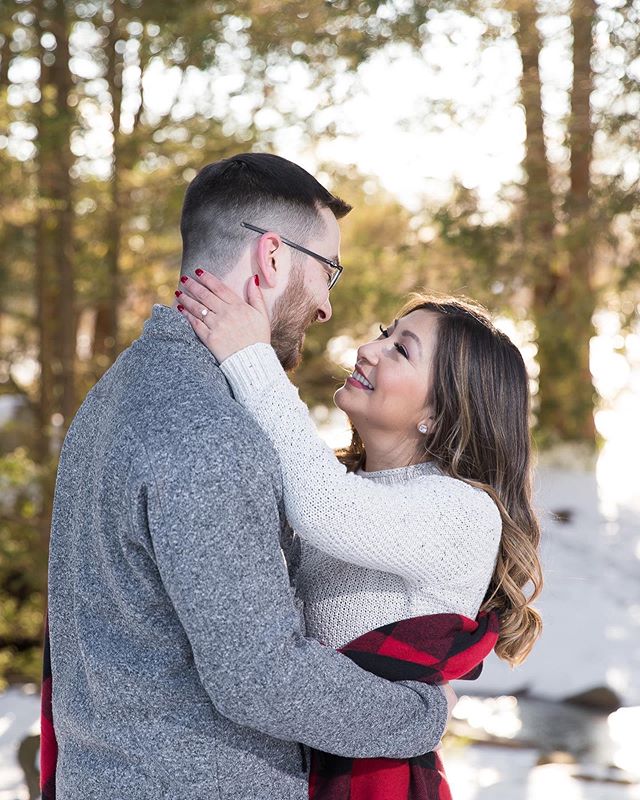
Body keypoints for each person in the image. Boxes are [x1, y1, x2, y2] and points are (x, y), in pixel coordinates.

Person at [43, 154, 454, 800]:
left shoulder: (116, 393)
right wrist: (420, 716)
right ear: (271, 258)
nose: (324, 306)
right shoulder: (208, 430)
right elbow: (260, 676)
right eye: (328, 272)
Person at [174, 271, 544, 796]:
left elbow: (323, 506)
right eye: (384, 333)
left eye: (402, 351)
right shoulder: (348, 482)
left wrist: (248, 354)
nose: (369, 349)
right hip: (299, 758)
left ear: (438, 414)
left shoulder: (462, 512)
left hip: (372, 781)